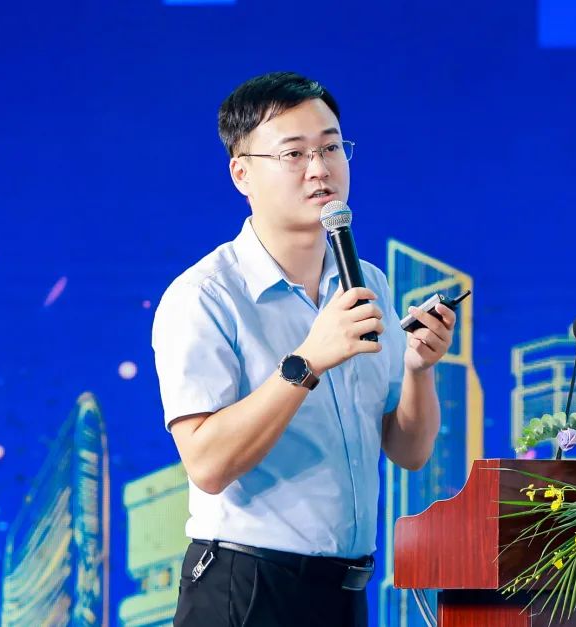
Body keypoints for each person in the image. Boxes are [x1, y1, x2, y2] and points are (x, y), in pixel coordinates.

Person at [152, 71, 457, 627]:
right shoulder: (205, 295)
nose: (320, 168)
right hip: (246, 589)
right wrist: (308, 361)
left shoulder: (367, 283)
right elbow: (208, 465)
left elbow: (409, 452)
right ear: (242, 173)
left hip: (345, 592)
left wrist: (418, 368)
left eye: (331, 148)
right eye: (294, 153)